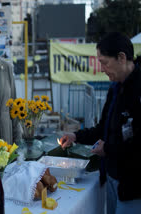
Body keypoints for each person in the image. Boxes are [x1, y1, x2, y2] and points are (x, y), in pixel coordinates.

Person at [60, 32, 141, 214]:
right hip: (113, 178)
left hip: (134, 187)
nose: (102, 69)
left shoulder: (137, 90)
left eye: (104, 62)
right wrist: (76, 136)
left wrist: (109, 149)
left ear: (121, 57)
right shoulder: (115, 89)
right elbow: (102, 129)